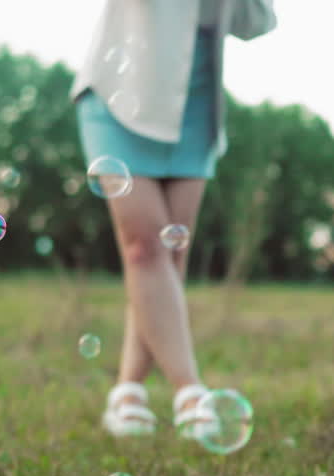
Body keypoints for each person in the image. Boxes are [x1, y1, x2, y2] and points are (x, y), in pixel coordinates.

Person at [72, 0, 276, 438]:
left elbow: (255, 22)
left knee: (168, 256)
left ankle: (128, 391)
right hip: (122, 89)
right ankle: (190, 393)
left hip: (196, 102)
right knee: (145, 247)